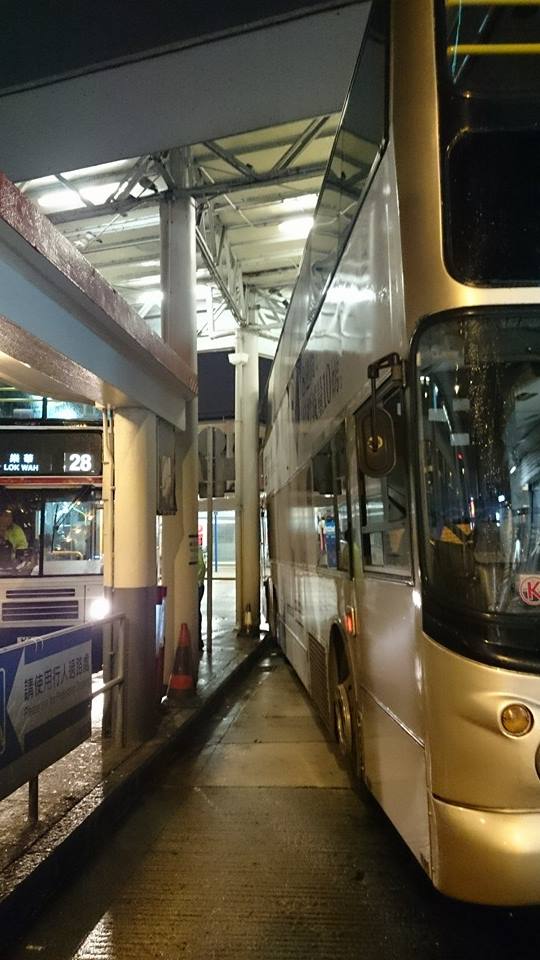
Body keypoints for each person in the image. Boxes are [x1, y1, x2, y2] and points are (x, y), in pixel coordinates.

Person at [197, 545, 206, 653]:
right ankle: (198, 640)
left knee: (195, 612)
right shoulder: (198, 550)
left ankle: (198, 640)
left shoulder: (197, 550)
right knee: (196, 612)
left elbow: (201, 567)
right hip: (199, 585)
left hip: (197, 586)